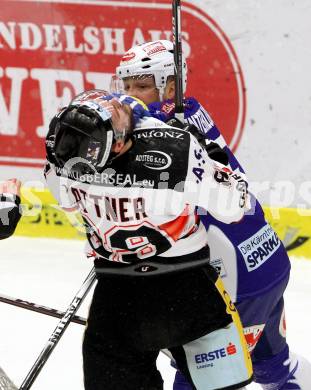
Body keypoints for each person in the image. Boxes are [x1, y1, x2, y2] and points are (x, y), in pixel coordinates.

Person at [113, 40, 311, 389]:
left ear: (171, 87)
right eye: (126, 86)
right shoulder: (187, 111)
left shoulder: (166, 129)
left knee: (197, 379)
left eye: (142, 86)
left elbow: (151, 133)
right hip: (265, 260)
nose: (132, 95)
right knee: (274, 368)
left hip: (234, 282)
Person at [44, 90, 253, 390]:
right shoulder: (175, 150)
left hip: (116, 304)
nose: (116, 104)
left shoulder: (60, 163)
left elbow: (70, 200)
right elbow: (235, 206)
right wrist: (206, 153)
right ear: (116, 144)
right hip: (187, 295)